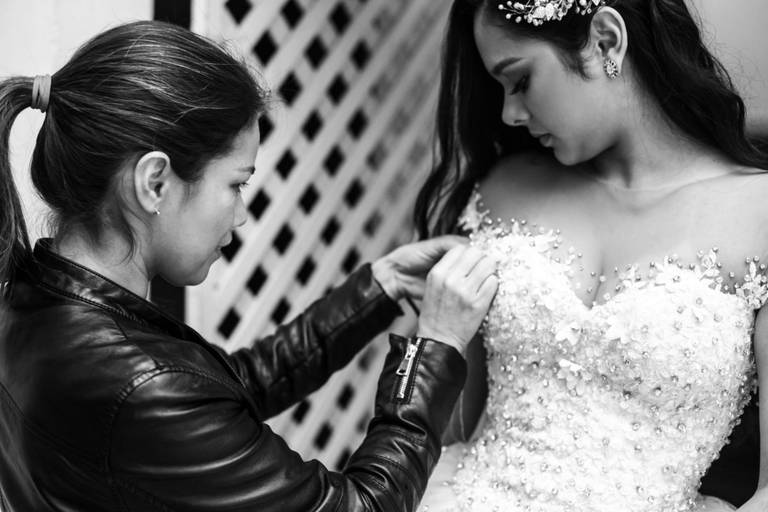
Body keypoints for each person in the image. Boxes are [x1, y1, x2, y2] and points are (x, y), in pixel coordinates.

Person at [0, 21, 500, 511]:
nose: (240, 215)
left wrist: (379, 287)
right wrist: (436, 346)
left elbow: (220, 392)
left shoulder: (29, 297)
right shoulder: (142, 386)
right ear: (155, 183)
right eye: (236, 184)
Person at [413, 0, 768, 510]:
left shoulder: (759, 214)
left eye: (520, 81)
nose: (509, 113)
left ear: (606, 41)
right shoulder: (503, 190)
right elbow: (447, 428)